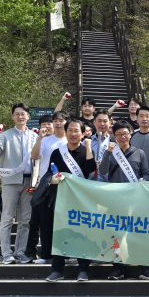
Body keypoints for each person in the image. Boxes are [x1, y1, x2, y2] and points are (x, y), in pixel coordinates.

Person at [98, 120, 149, 280]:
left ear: (131, 134)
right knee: (116, 236)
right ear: (114, 136)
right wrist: (108, 153)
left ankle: (145, 269)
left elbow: (147, 173)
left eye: (126, 133)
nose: (123, 137)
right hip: (115, 200)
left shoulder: (139, 153)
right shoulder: (110, 151)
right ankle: (117, 269)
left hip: (136, 200)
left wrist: (143, 179)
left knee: (139, 234)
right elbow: (102, 172)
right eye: (119, 134)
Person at [44, 119, 97, 282]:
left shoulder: (86, 151)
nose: (73, 134)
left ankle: (83, 269)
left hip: (82, 199)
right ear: (65, 133)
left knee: (83, 233)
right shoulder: (57, 152)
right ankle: (57, 270)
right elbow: (48, 174)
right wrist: (55, 178)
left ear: (83, 133)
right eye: (70, 131)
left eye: (77, 131)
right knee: (59, 232)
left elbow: (91, 169)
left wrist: (88, 147)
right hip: (61, 198)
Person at [0, 103, 38, 265]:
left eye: (23, 114)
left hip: (29, 181)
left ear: (28, 116)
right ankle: (7, 253)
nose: (20, 117)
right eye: (17, 114)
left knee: (25, 220)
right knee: (7, 218)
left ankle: (20, 252)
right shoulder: (5, 135)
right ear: (12, 117)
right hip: (11, 182)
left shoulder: (35, 136)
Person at [30, 111, 68, 264]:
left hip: (69, 186)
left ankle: (67, 253)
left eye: (61, 120)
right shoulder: (46, 141)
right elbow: (34, 156)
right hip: (49, 185)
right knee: (47, 221)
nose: (58, 123)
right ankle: (46, 255)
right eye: (55, 121)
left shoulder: (71, 139)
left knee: (66, 221)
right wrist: (40, 138)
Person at [25, 115, 54, 260]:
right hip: (38, 185)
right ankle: (30, 251)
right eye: (43, 124)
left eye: (49, 123)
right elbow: (34, 159)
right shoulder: (40, 140)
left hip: (53, 185)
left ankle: (51, 252)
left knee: (48, 221)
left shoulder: (62, 140)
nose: (47, 127)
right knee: (35, 220)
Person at [90, 109, 113, 180]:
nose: (102, 124)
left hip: (108, 182)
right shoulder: (87, 142)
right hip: (89, 183)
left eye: (105, 121)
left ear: (109, 123)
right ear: (94, 122)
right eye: (99, 121)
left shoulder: (115, 141)